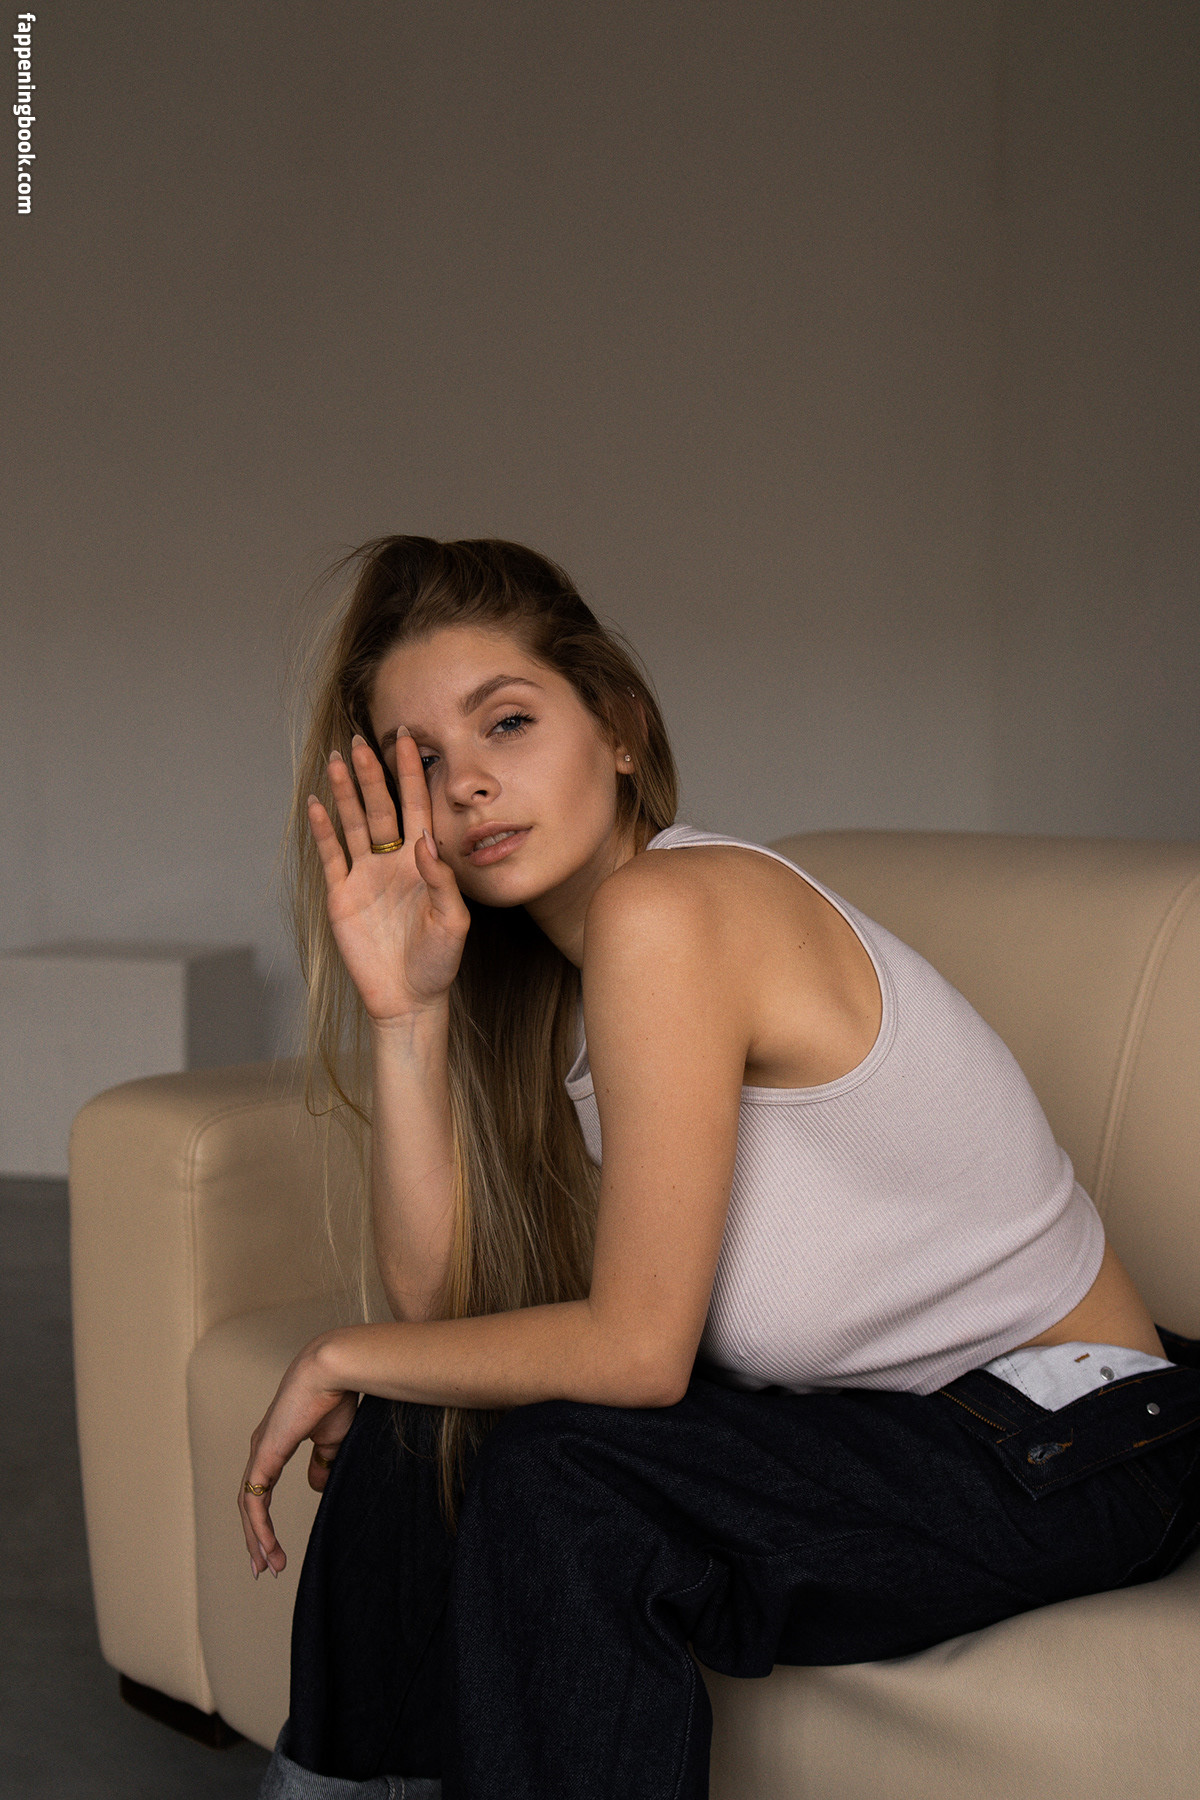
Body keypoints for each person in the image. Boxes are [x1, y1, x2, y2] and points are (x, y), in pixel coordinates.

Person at [245, 536, 1200, 1800]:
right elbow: (436, 1312)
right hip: (891, 1425)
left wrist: (333, 1355)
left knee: (560, 1483)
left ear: (620, 728)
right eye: (418, 762)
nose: (465, 784)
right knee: (426, 1432)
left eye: (508, 722)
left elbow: (638, 1352)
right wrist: (407, 1011)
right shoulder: (563, 990)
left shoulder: (675, 910)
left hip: (1075, 1440)